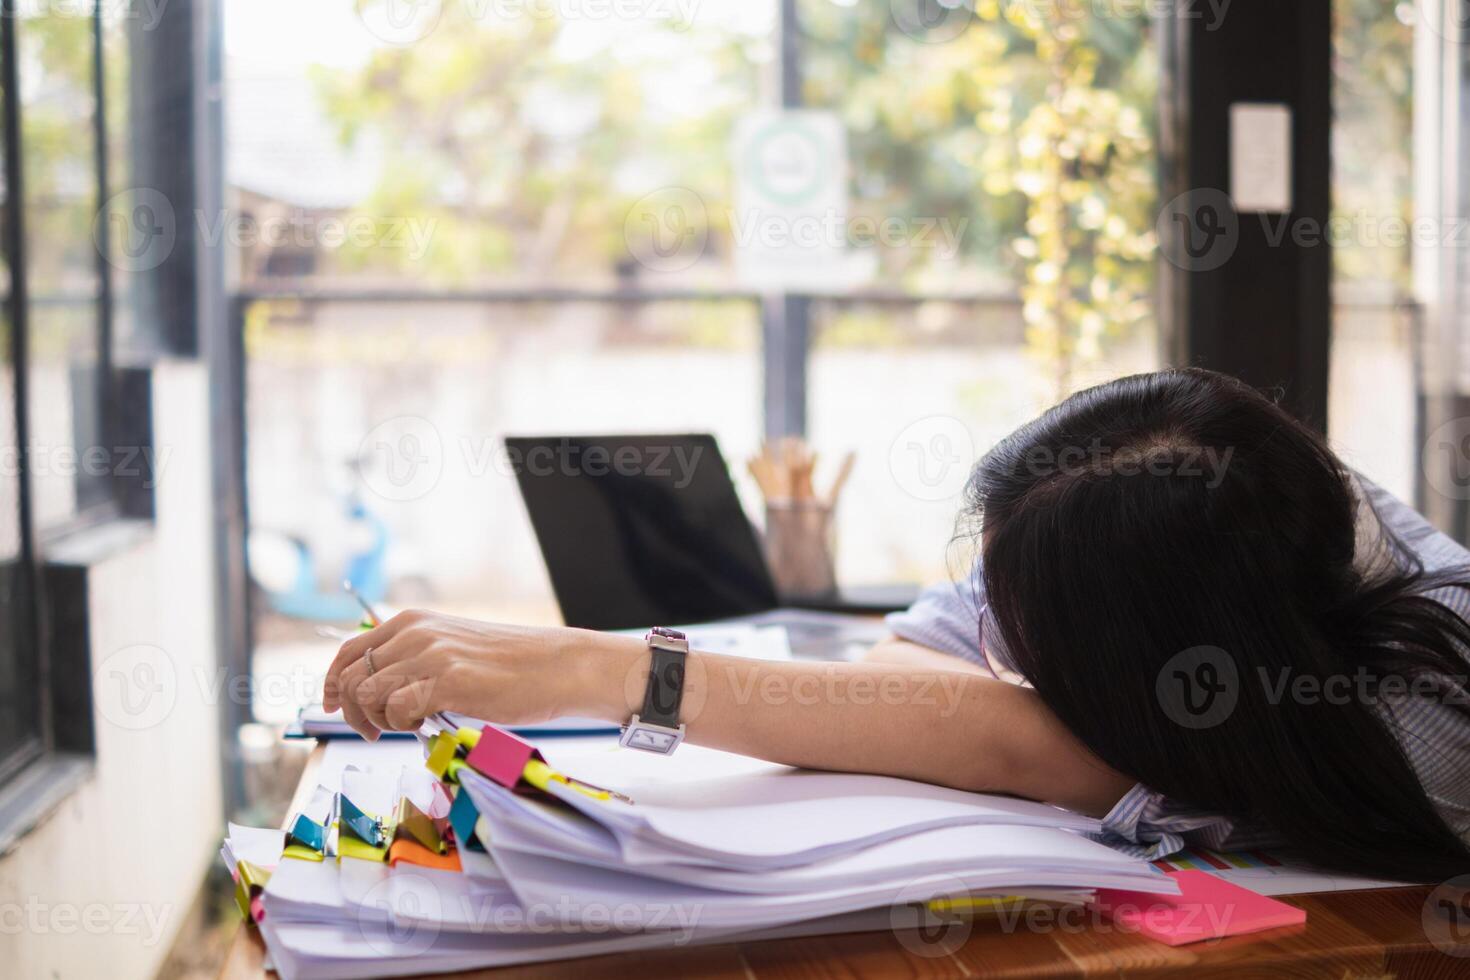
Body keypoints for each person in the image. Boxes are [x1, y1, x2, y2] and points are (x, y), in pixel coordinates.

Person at [324, 368, 1470, 881]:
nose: (1004, 634)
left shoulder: (1436, 710)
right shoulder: (1194, 491)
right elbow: (908, 669)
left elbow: (1005, 739)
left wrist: (615, 671)